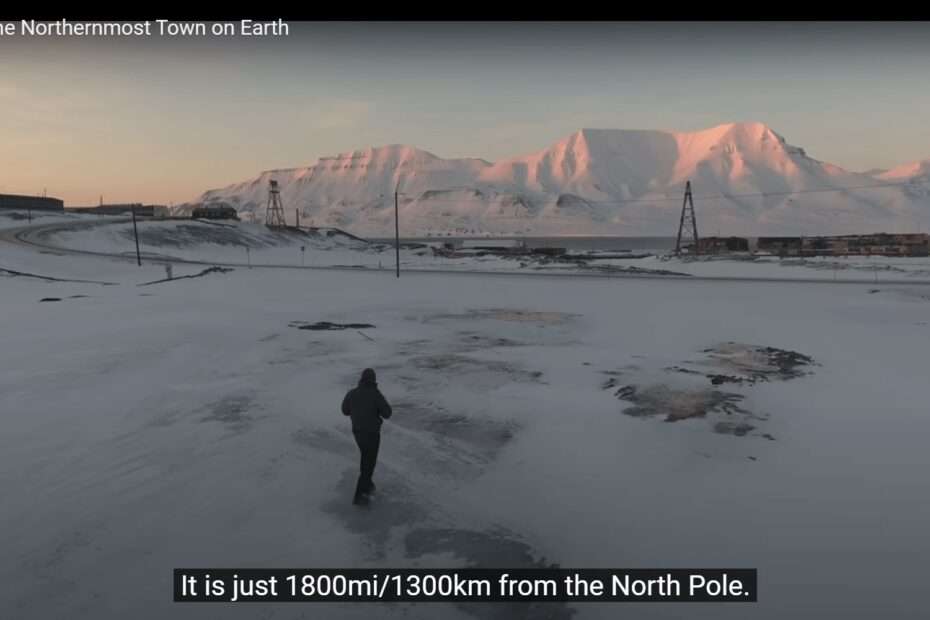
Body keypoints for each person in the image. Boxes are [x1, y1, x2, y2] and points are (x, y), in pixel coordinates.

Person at [341, 368, 392, 505]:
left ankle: (368, 485)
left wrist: (356, 410)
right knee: (368, 464)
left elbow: (345, 410)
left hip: (357, 432)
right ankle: (360, 497)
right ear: (373, 380)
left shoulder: (352, 393)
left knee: (366, 459)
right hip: (372, 434)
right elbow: (387, 413)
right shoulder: (375, 394)